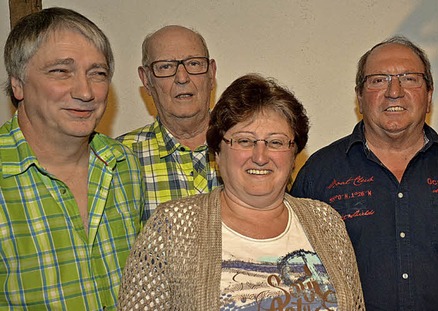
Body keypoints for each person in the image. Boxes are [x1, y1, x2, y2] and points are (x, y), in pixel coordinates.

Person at [117, 74, 365, 310]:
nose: (260, 156)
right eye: (244, 141)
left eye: (276, 142)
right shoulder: (172, 226)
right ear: (217, 152)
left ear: (293, 155)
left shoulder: (326, 222)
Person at [291, 36, 438, 310]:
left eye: (409, 78)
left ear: (429, 94)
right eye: (378, 80)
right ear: (360, 97)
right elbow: (296, 270)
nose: (394, 91)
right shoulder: (320, 172)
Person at [0, 7, 144, 309]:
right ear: (18, 84)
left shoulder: (125, 165)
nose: (85, 91)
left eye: (98, 74)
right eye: (61, 71)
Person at [117, 25, 221, 220]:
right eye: (165, 66)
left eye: (194, 64)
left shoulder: (248, 147)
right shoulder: (119, 160)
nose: (182, 77)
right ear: (146, 80)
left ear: (211, 73)